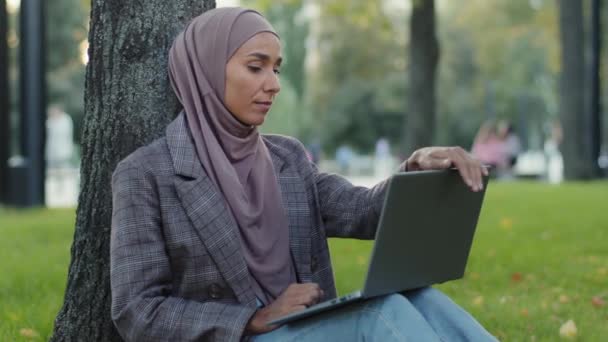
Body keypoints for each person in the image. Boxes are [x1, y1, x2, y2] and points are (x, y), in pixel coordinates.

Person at [110, 7, 495, 342]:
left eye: (276, 69)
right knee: (382, 314)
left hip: (309, 325)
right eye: (255, 67)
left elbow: (362, 210)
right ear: (207, 69)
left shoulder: (286, 158)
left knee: (419, 297)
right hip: (243, 337)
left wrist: (416, 168)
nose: (273, 84)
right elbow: (137, 311)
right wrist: (254, 319)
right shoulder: (146, 174)